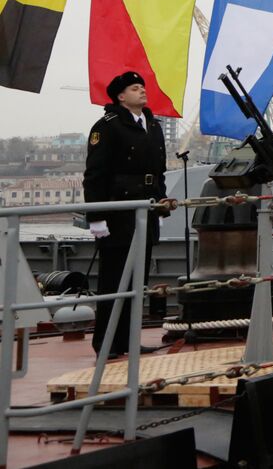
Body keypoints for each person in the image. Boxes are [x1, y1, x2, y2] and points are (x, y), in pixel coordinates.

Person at [84, 71, 174, 357]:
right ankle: (107, 343)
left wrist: (160, 204)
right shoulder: (107, 127)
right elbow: (95, 175)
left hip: (145, 211)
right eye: (136, 89)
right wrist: (96, 217)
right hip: (118, 214)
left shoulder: (153, 125)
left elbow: (158, 171)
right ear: (121, 96)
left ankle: (128, 341)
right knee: (113, 282)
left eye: (143, 87)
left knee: (138, 282)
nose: (142, 92)